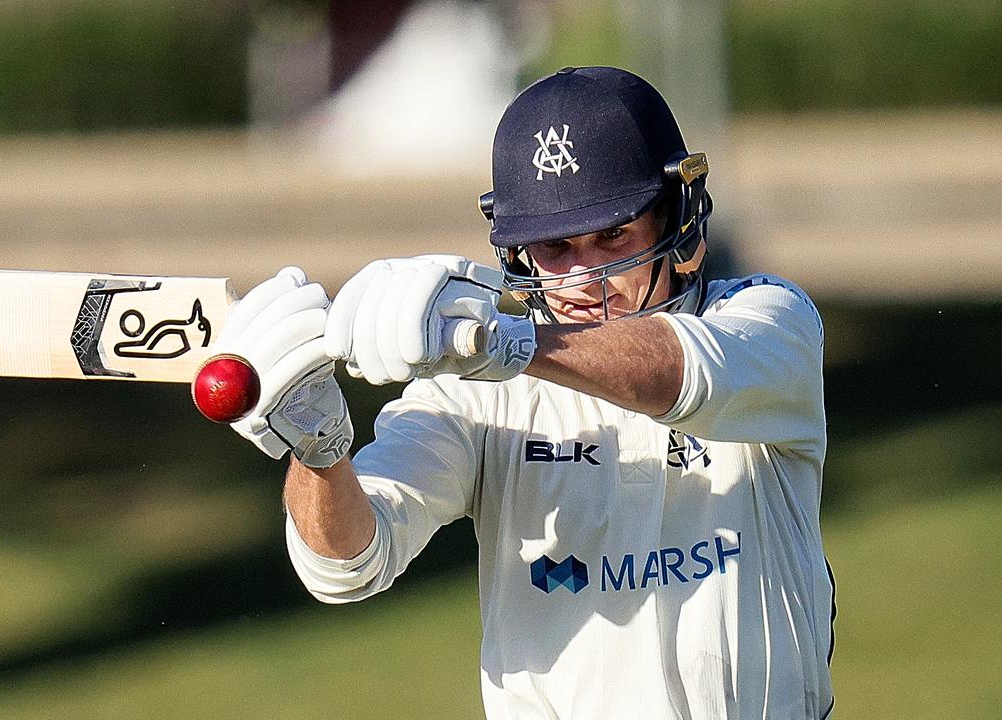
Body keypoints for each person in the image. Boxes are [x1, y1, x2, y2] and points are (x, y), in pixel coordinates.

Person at [212, 67, 835, 719]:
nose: (586, 277)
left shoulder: (768, 320)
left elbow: (682, 373)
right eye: (556, 246)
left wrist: (504, 344)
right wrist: (317, 451)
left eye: (614, 234)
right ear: (520, 255)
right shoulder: (474, 397)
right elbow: (347, 563)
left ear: (676, 218)